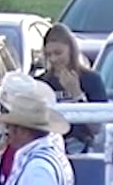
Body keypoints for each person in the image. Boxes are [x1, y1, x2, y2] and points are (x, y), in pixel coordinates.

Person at [33, 24, 107, 153]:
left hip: (82, 147)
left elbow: (98, 128)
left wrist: (77, 95)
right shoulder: (41, 82)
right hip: (48, 147)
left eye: (58, 53)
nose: (53, 59)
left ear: (71, 50)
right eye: (49, 54)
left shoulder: (91, 79)